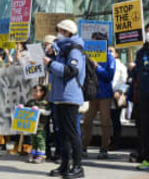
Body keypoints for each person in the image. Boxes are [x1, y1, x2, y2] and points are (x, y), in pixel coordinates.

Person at [44, 19, 85, 178]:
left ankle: (78, 167)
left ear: (67, 32)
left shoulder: (74, 49)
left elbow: (71, 71)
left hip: (70, 96)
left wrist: (50, 64)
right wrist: (51, 52)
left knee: (72, 133)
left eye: (60, 30)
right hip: (60, 96)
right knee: (62, 134)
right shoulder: (62, 49)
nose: (57, 33)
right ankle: (65, 165)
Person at [82, 35, 116, 159]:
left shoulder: (109, 57)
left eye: (97, 41)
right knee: (87, 121)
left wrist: (98, 67)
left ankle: (104, 148)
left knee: (105, 122)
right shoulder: (88, 56)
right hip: (92, 93)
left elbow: (109, 76)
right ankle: (83, 146)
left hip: (105, 94)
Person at [22, 84, 51, 163]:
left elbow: (48, 112)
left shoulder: (45, 103)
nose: (34, 93)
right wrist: (21, 108)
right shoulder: (31, 102)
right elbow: (25, 109)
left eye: (37, 91)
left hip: (41, 126)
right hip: (32, 126)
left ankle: (41, 155)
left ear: (42, 92)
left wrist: (40, 110)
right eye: (34, 91)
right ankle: (33, 153)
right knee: (33, 140)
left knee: (41, 140)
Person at [135, 23, 149, 170]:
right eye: (147, 32)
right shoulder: (141, 53)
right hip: (145, 96)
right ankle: (147, 158)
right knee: (145, 129)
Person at [108, 47, 128, 150]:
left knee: (116, 120)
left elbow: (125, 81)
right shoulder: (104, 64)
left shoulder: (121, 66)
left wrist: (120, 91)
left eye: (111, 51)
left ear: (116, 54)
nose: (109, 53)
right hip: (105, 95)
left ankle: (115, 142)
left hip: (116, 96)